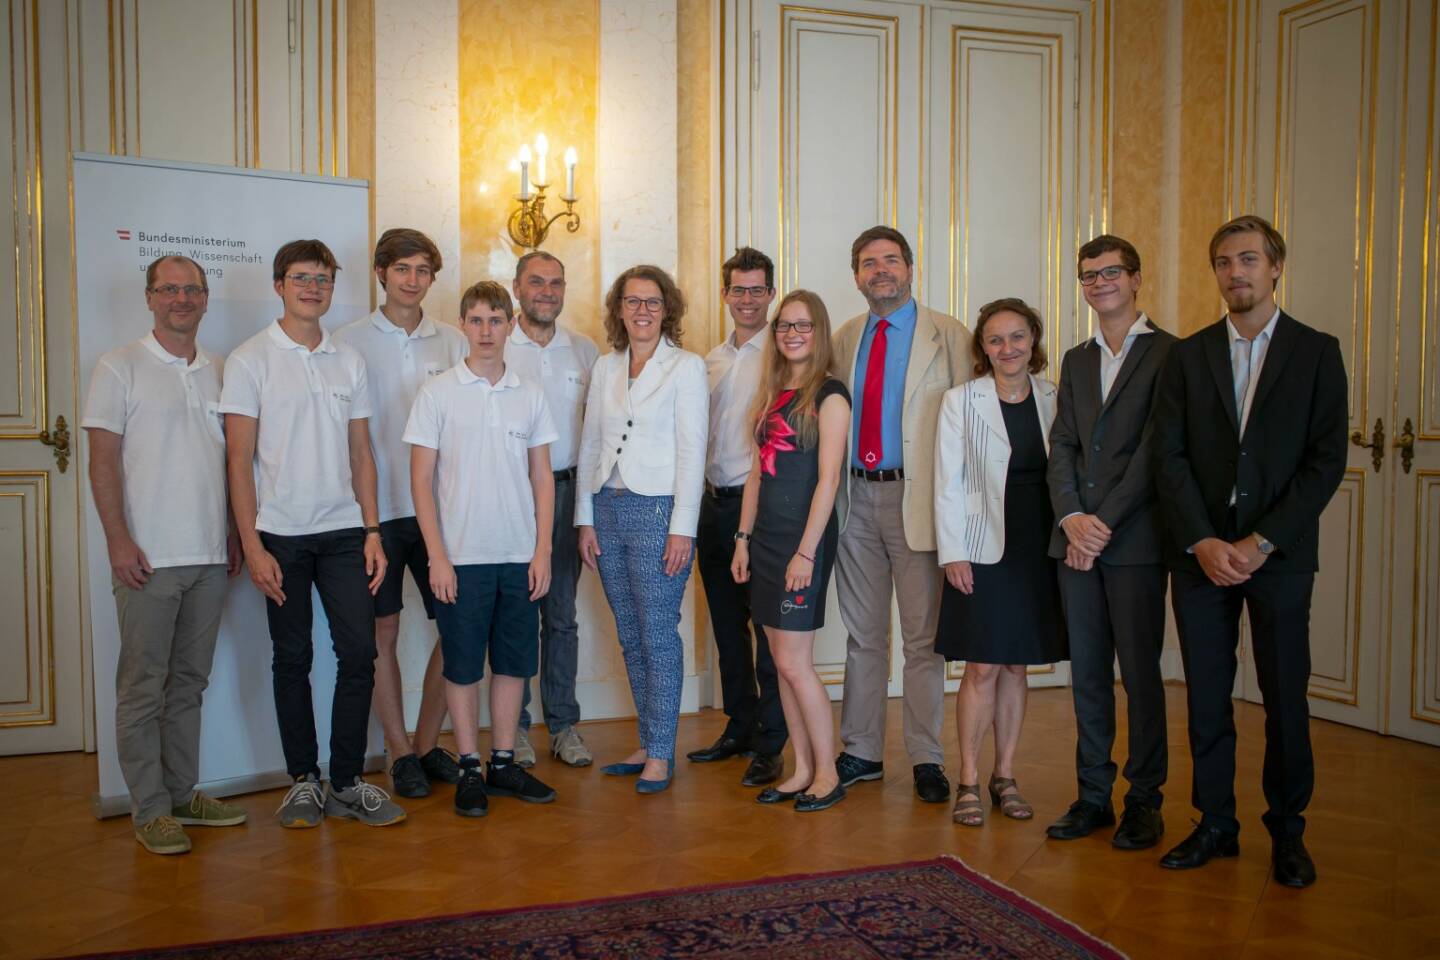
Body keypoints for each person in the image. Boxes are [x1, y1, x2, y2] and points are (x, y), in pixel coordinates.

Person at [1153, 215, 1347, 888]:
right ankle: (1214, 824)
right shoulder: (1187, 355)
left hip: (1279, 559)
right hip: (1201, 557)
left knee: (1285, 699)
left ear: (1275, 267)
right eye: (1224, 262)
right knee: (1207, 697)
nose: (1235, 272)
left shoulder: (1318, 352)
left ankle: (1288, 833)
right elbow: (1168, 457)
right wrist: (1204, 540)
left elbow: (1325, 463)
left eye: (1248, 260)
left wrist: (1261, 542)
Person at [221, 239, 405, 829]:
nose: (313, 288)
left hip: (345, 532)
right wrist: (251, 544)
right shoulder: (249, 359)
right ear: (279, 285)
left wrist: (373, 530)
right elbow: (239, 461)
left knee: (358, 653)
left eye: (323, 279)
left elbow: (362, 453)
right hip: (280, 535)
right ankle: (304, 780)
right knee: (291, 656)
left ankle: (348, 782)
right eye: (301, 278)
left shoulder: (348, 360)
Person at [83, 255, 247, 854]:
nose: (182, 298)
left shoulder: (221, 370)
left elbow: (230, 465)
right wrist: (117, 539)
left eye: (192, 290)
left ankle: (181, 794)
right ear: (149, 297)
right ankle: (148, 809)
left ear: (206, 299)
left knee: (188, 685)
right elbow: (102, 463)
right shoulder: (118, 367)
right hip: (147, 559)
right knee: (142, 687)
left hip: (208, 556)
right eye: (169, 289)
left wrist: (232, 531)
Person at [406, 281, 560, 818]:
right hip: (461, 556)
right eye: (476, 321)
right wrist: (437, 556)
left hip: (518, 554)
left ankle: (502, 762)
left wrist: (541, 551)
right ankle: (469, 764)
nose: (487, 331)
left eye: (497, 320)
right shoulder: (438, 393)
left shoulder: (530, 393)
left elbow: (543, 478)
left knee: (514, 663)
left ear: (510, 324)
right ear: (462, 325)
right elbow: (420, 482)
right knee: (464, 666)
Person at [1045, 235, 1176, 850]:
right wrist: (1072, 518)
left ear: (1136, 278)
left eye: (1111, 272)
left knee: (1141, 676)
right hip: (1076, 543)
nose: (1100, 283)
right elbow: (1063, 446)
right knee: (1089, 674)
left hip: (1136, 545)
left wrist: (1101, 526)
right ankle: (1092, 795)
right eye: (1089, 275)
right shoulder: (1074, 359)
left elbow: (1156, 456)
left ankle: (1144, 801)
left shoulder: (1172, 355)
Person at [831, 226, 970, 803]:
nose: (880, 270)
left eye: (890, 260)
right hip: (854, 498)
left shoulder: (951, 336)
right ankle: (860, 751)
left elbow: (970, 430)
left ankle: (926, 759)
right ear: (857, 275)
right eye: (868, 263)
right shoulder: (842, 339)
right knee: (863, 637)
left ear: (910, 268)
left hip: (918, 501)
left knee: (923, 641)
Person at [333, 228, 468, 798]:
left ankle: (427, 742)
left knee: (457, 627)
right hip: (380, 510)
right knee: (381, 630)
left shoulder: (455, 341)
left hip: (443, 508)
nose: (412, 280)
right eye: (402, 269)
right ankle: (396, 752)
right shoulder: (347, 342)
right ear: (381, 273)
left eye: (422, 271)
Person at [576, 265, 707, 794]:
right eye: (633, 302)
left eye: (653, 302)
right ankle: (649, 737)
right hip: (607, 510)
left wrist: (683, 529)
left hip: (660, 513)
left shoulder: (687, 368)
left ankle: (661, 751)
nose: (643, 311)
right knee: (630, 634)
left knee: (657, 633)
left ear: (666, 309)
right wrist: (584, 518)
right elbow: (589, 444)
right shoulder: (606, 368)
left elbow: (692, 451)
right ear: (620, 310)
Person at [934, 298, 1064, 827]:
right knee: (982, 665)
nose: (1007, 348)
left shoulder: (1056, 396)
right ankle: (967, 777)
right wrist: (953, 552)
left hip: (1040, 545)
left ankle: (1004, 775)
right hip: (981, 545)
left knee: (1016, 663)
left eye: (1017, 337)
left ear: (1032, 340)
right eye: (995, 340)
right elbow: (948, 482)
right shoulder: (960, 401)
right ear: (982, 349)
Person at [731, 290, 851, 812]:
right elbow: (757, 473)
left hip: (804, 544)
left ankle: (828, 772)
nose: (792, 334)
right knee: (780, 664)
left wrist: (806, 553)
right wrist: (742, 539)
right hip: (766, 542)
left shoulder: (831, 395)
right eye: (784, 326)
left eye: (802, 325)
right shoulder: (773, 390)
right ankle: (801, 768)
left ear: (818, 332)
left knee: (797, 664)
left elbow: (828, 482)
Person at [690, 246, 787, 786]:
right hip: (712, 505)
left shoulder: (786, 353)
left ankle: (772, 742)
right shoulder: (709, 360)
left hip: (764, 511)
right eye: (738, 289)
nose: (747, 299)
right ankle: (740, 725)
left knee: (768, 630)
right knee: (727, 626)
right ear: (725, 294)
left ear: (770, 293)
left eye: (757, 289)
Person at [507, 251, 601, 769]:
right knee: (517, 614)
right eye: (536, 282)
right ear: (517, 288)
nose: (547, 290)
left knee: (561, 617)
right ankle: (515, 727)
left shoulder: (584, 352)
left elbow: (595, 437)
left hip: (567, 495)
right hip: (512, 496)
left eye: (556, 282)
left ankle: (564, 725)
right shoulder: (498, 344)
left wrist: (586, 510)